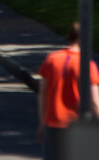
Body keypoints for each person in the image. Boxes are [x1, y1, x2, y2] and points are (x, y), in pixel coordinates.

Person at [37, 22, 99, 159]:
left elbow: (42, 94)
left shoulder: (51, 60)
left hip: (53, 122)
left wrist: (42, 122)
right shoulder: (87, 65)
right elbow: (94, 101)